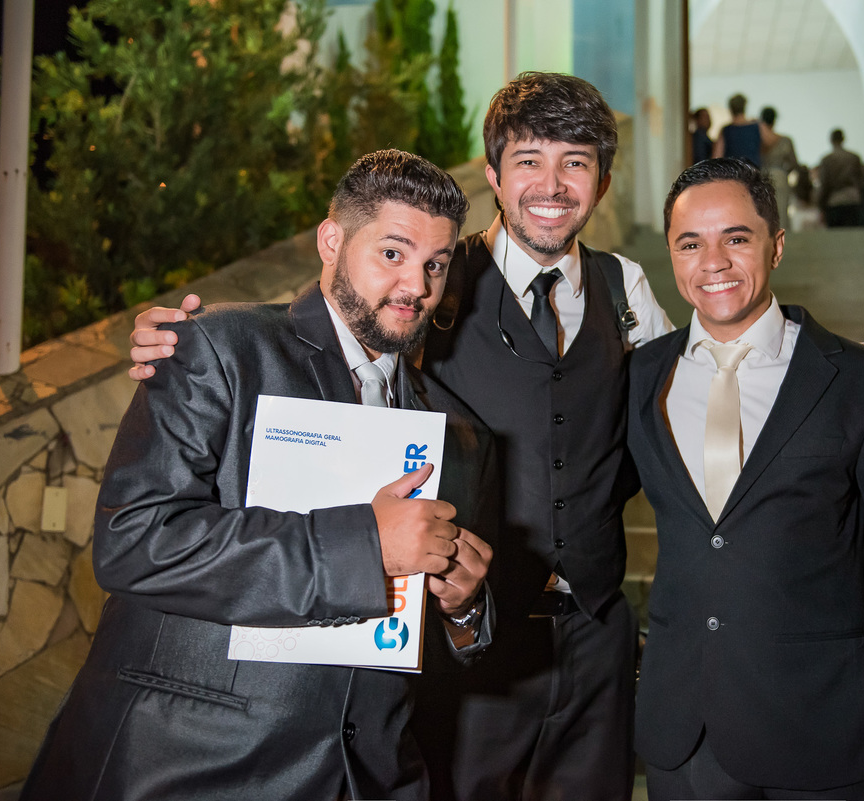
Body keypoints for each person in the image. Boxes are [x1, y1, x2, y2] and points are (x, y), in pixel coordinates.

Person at [130, 73, 674, 801]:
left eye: (574, 162)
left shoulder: (625, 288)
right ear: (493, 176)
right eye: (528, 160)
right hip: (467, 639)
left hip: (592, 629)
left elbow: (688, 402)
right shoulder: (436, 277)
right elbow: (335, 319)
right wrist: (191, 340)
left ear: (601, 182)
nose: (552, 182)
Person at [21, 150, 498, 801]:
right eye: (392, 252)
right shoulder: (219, 346)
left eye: (435, 264)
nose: (416, 283)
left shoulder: (458, 434)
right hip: (191, 766)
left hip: (373, 775)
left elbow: (428, 650)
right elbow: (133, 541)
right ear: (332, 241)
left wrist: (465, 608)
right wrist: (366, 543)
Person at [628, 157, 864, 801]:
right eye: (690, 243)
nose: (713, 261)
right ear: (673, 257)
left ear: (777, 244)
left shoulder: (859, 382)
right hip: (686, 735)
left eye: (736, 237)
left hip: (824, 730)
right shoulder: (638, 378)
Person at [817, 127, 864, 227]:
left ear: (831, 140)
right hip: (852, 198)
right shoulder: (854, 157)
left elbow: (825, 184)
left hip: (834, 200)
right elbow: (860, 181)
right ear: (843, 139)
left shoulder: (827, 160)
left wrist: (821, 205)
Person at [759, 106, 797, 232]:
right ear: (775, 120)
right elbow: (793, 163)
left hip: (761, 176)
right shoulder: (785, 141)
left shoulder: (759, 141)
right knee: (781, 213)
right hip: (780, 176)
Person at [711, 92, 766, 166]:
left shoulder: (726, 130)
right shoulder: (756, 127)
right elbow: (770, 144)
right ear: (745, 106)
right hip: (752, 169)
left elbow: (717, 156)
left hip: (733, 171)